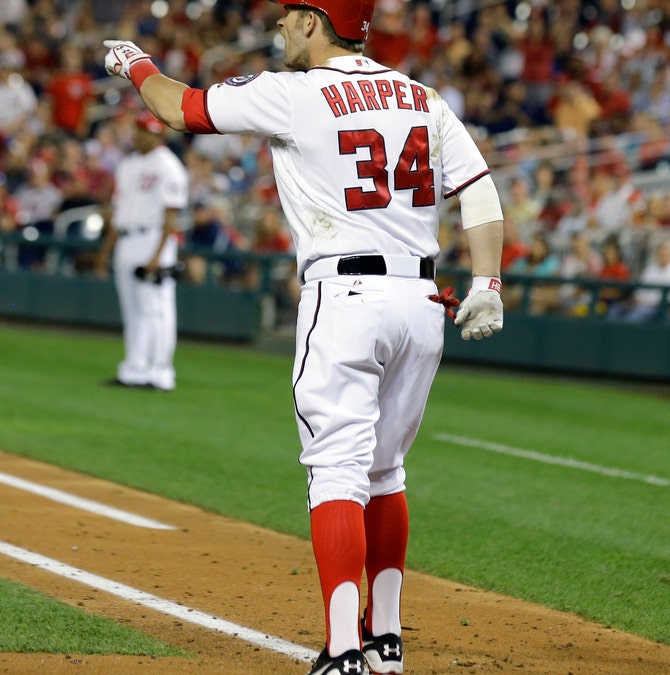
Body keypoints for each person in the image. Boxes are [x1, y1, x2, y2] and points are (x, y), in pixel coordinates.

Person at [101, 2, 506, 672]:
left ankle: (344, 648)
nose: (282, 29)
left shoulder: (294, 92)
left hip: (345, 295)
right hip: (420, 299)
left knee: (336, 472)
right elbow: (478, 187)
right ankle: (386, 639)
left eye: (291, 17)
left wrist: (134, 63)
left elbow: (180, 110)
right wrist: (488, 282)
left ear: (316, 22)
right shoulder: (421, 96)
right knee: (386, 470)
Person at [95, 111, 188, 392]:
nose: (139, 135)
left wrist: (158, 255)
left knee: (155, 309)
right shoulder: (129, 163)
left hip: (153, 238)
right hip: (126, 239)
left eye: (145, 130)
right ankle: (134, 369)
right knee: (133, 311)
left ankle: (160, 373)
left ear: (158, 134)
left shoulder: (168, 165)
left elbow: (171, 215)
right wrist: (105, 252)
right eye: (138, 129)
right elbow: (117, 211)